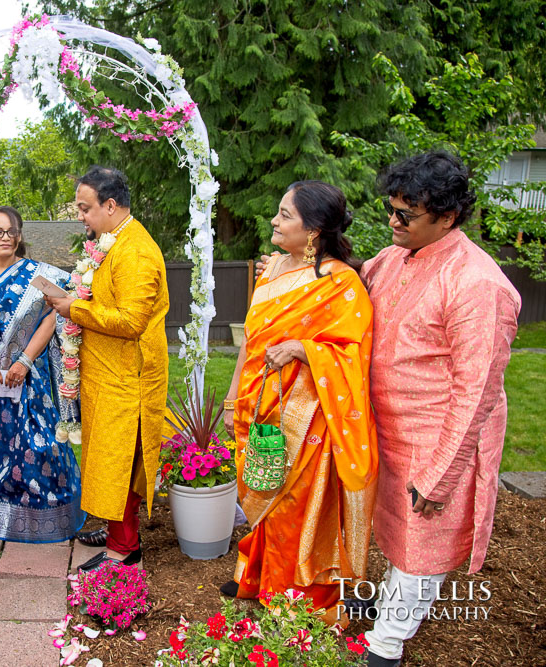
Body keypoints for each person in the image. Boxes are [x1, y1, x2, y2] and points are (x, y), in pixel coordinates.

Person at [358, 152, 521, 667]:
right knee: (402, 540)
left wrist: (442, 475)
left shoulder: (478, 284)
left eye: (406, 215)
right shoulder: (389, 260)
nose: (392, 222)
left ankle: (386, 646)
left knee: (422, 536)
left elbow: (477, 391)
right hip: (390, 430)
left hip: (439, 436)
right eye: (391, 210)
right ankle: (401, 610)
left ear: (447, 217)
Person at [221, 180, 378, 626]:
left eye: (285, 214)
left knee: (292, 503)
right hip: (260, 400)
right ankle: (258, 574)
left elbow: (353, 352)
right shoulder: (272, 270)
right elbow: (253, 341)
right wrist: (235, 396)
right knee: (262, 489)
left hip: (307, 413)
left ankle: (294, 599)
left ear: (313, 230)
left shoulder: (340, 284)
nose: (274, 219)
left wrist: (303, 349)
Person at [44, 166, 169, 571]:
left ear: (110, 205)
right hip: (106, 373)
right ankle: (118, 531)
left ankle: (123, 549)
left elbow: (132, 322)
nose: (80, 215)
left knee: (118, 463)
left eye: (85, 207)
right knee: (108, 462)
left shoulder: (135, 251)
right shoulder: (115, 242)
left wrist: (73, 308)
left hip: (126, 378)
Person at [0, 206, 86, 543]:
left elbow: (52, 315)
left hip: (26, 378)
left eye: (11, 231)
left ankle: (41, 513)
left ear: (19, 236)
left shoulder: (37, 275)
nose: (5, 237)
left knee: (39, 445)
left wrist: (25, 360)